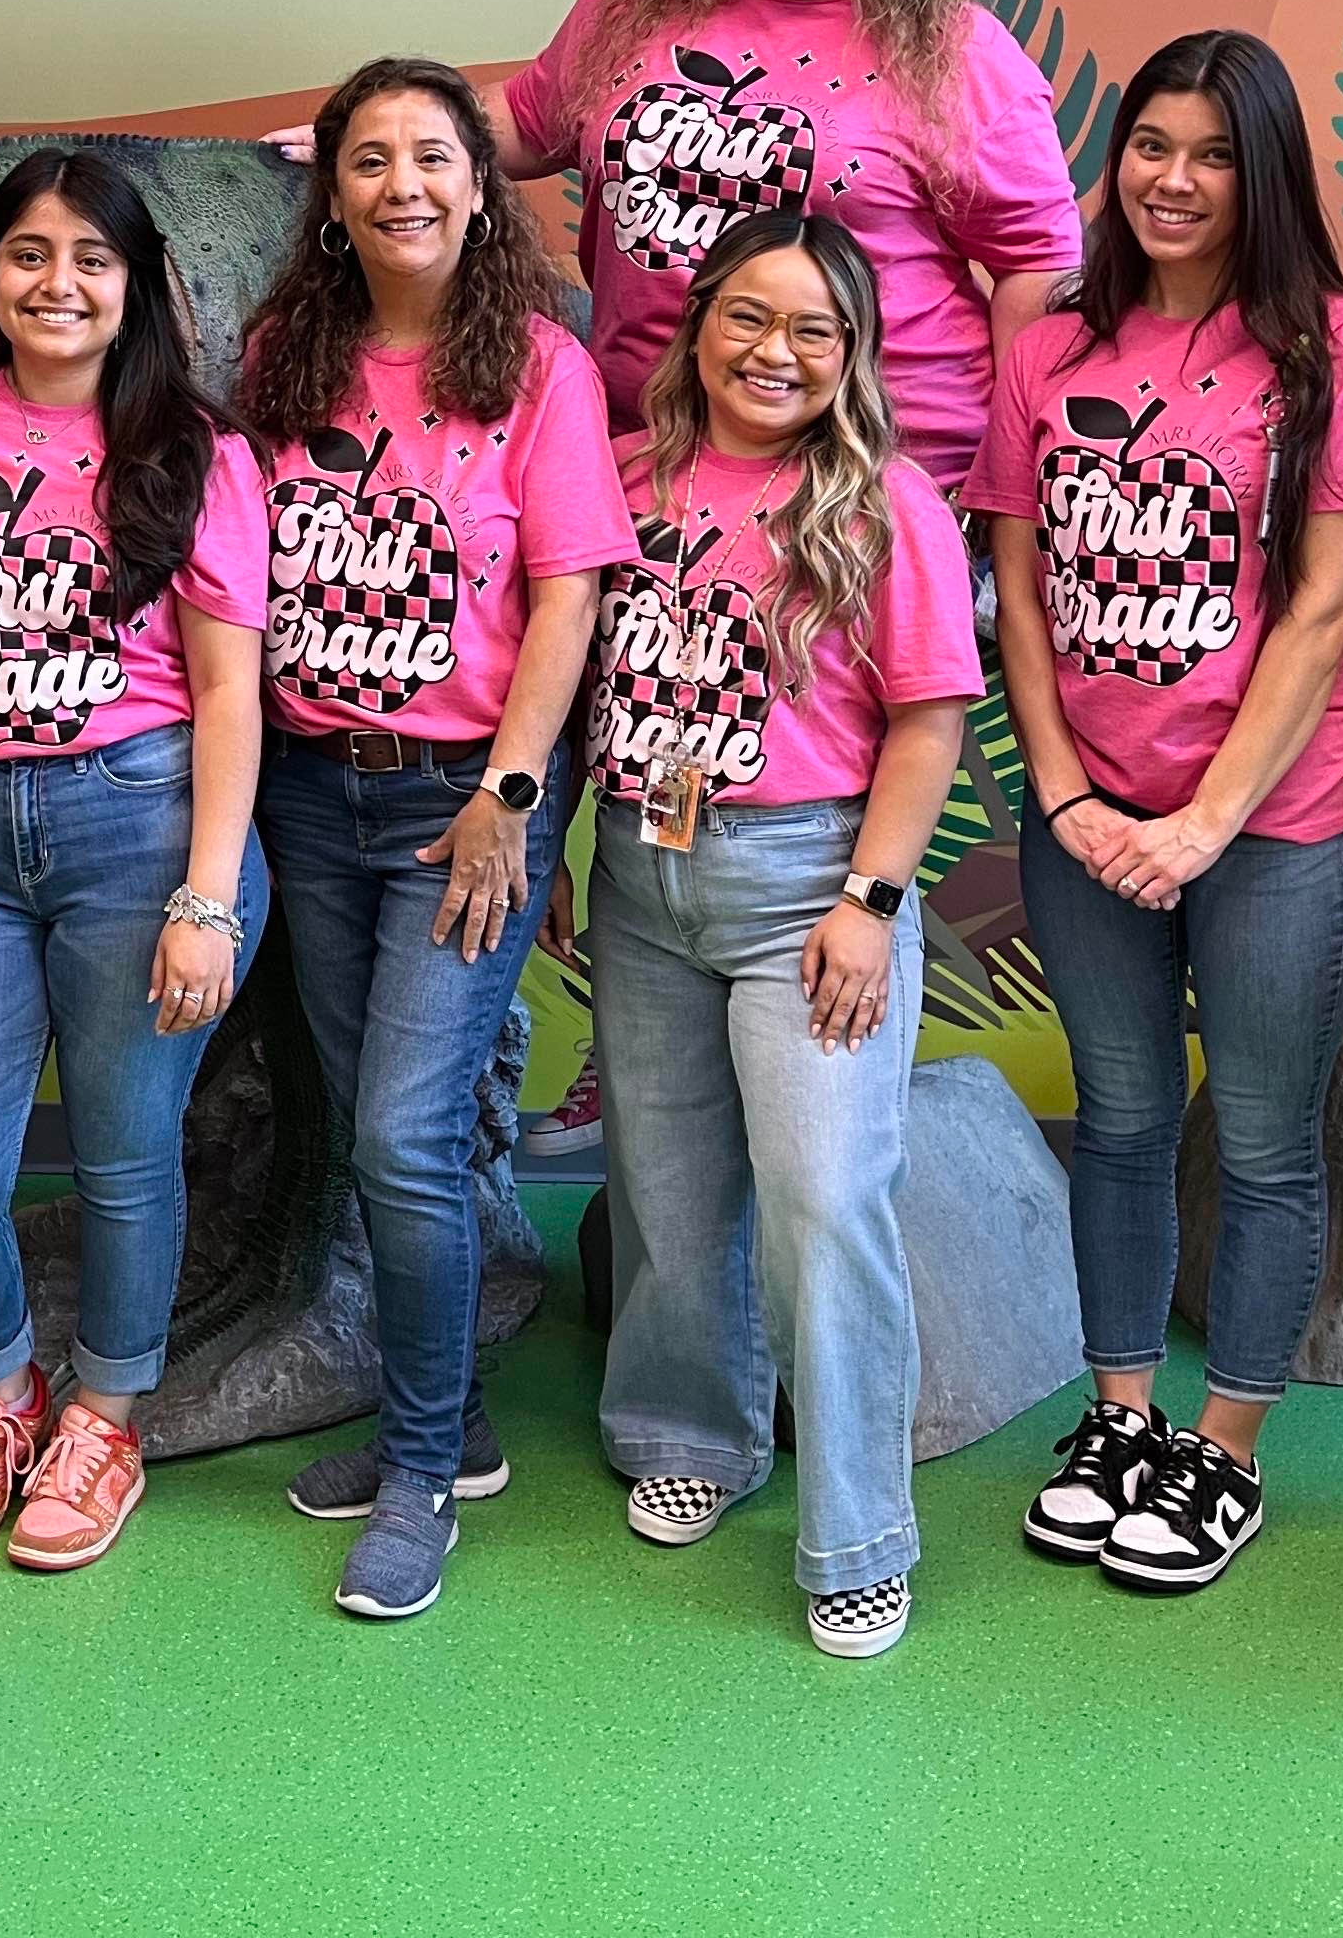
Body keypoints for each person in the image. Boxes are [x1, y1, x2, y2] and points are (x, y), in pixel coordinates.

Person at [969, 30, 1343, 1592]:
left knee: (1267, 1142)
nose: (1174, 179)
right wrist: (1065, 789)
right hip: (1088, 813)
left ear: (1266, 173)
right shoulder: (1051, 344)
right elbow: (1018, 588)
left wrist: (1207, 825)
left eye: (1213, 154)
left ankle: (1223, 1446)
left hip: (1275, 823)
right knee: (1120, 1119)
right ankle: (1119, 1417)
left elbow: (1319, 617)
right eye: (1150, 145)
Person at [237, 57, 633, 1620]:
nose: (404, 183)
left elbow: (569, 593)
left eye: (433, 156)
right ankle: (452, 1417)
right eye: (370, 160)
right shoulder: (284, 357)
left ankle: (417, 1474)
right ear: (330, 195)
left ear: (482, 187)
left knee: (407, 1132)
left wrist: (512, 797)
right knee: (370, 1118)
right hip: (304, 791)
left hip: (455, 800)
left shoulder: (542, 366)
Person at [585, 212, 976, 1657]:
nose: (777, 351)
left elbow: (930, 720)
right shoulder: (627, 479)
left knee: (821, 1199)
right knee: (669, 1189)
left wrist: (871, 901)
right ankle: (695, 1427)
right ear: (698, 326)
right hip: (643, 865)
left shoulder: (883, 505)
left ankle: (861, 1530)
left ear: (854, 356)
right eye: (749, 316)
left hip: (806, 882)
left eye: (815, 329)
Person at [0, 150, 273, 1574]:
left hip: (143, 825)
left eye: (91, 260)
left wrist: (207, 898)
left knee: (124, 1159)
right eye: (31, 254)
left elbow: (231, 693)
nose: (59, 284)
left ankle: (105, 1411)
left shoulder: (197, 451)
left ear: (137, 286)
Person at [493, 0, 1083, 476]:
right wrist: (371, 131)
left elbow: (1035, 264)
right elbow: (528, 121)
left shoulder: (960, 51)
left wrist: (1011, 469)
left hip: (874, 476)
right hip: (651, 462)